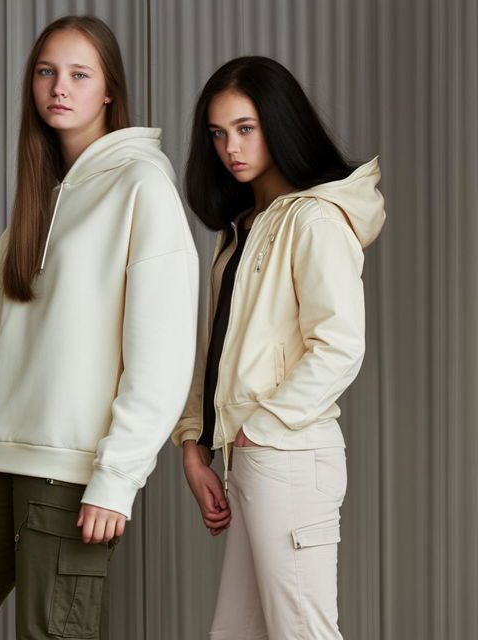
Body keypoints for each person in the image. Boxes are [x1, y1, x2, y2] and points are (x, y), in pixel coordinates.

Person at [0, 15, 198, 640]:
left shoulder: (141, 185)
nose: (58, 87)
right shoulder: (36, 204)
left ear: (108, 90)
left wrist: (117, 478)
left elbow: (163, 354)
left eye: (78, 74)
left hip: (71, 472)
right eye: (46, 72)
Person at [172, 56, 385, 639]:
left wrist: (259, 427)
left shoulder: (314, 221)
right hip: (251, 459)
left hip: (288, 457)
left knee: (302, 633)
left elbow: (340, 346)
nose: (230, 148)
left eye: (246, 128)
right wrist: (195, 444)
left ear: (279, 123)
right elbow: (211, 350)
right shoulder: (242, 228)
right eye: (218, 134)